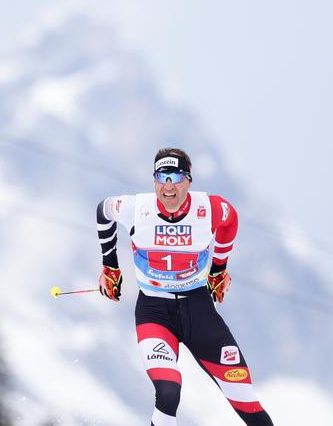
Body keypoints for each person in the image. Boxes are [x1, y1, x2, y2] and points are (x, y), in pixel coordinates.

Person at [96, 148, 273, 426]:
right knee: (168, 390)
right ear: (154, 180)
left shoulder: (210, 208)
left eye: (176, 177)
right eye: (161, 177)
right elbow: (103, 211)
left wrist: (219, 267)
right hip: (154, 313)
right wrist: (110, 266)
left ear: (189, 180)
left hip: (198, 311)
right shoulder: (136, 208)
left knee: (247, 402)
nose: (168, 186)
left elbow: (231, 220)